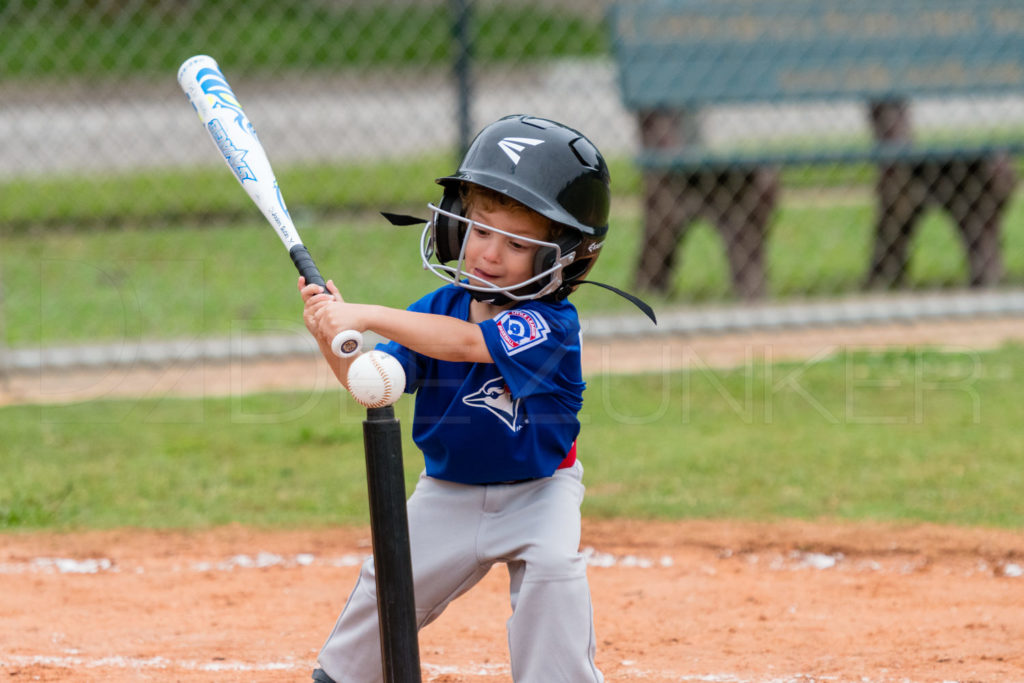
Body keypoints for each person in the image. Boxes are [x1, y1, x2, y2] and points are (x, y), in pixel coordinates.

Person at [300, 114, 652, 683]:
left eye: (517, 243)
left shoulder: (550, 324)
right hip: (448, 493)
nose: (489, 253)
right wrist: (333, 340)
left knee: (554, 574)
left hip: (540, 495)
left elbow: (470, 345)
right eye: (480, 230)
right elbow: (374, 383)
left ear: (566, 257)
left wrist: (363, 312)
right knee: (386, 588)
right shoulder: (434, 309)